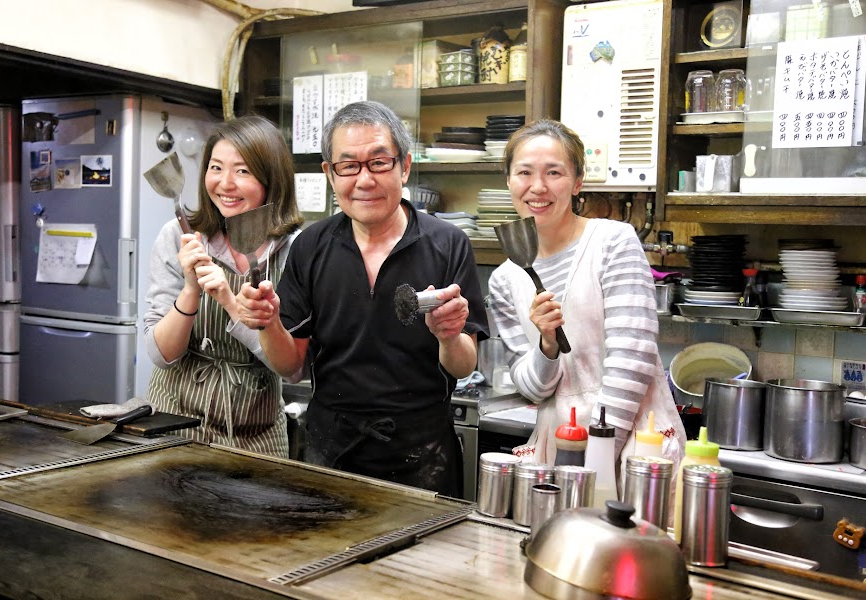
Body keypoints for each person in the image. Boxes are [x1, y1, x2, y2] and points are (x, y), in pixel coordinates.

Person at [236, 101, 489, 496]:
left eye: (379, 163)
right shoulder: (312, 247)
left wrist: (448, 335)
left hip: (423, 451)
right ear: (329, 175)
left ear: (404, 167)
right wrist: (268, 322)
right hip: (330, 449)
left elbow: (462, 366)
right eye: (349, 166)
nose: (364, 180)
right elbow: (290, 366)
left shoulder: (447, 243)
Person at [486, 119, 685, 476]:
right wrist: (547, 346)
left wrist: (595, 456)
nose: (538, 187)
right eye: (524, 173)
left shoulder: (613, 242)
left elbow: (632, 359)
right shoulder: (505, 279)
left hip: (638, 442)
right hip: (560, 444)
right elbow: (533, 389)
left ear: (578, 182)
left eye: (554, 173)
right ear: (509, 181)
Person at [143, 115, 303, 456]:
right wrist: (191, 290)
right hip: (175, 424)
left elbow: (290, 368)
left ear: (271, 178)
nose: (225, 183)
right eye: (216, 168)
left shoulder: (295, 250)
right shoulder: (177, 236)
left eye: (242, 171)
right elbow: (161, 355)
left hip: (258, 434)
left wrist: (230, 301)